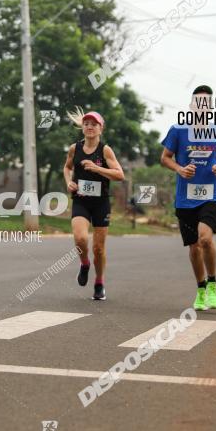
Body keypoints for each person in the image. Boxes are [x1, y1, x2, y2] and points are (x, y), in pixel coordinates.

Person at [160, 84, 216, 311]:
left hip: (211, 194)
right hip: (185, 198)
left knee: (205, 238)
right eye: (197, 102)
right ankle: (200, 288)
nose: (201, 106)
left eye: (206, 103)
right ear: (191, 105)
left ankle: (212, 284)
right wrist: (180, 169)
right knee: (193, 247)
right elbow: (165, 157)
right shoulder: (178, 129)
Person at [63, 108, 125, 300]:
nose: (89, 127)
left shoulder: (105, 150)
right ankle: (84, 264)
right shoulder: (75, 148)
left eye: (94, 124)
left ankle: (99, 282)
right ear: (82, 127)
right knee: (80, 239)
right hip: (81, 201)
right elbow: (67, 167)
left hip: (101, 203)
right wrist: (69, 183)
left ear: (100, 128)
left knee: (98, 248)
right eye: (86, 124)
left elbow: (120, 175)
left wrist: (98, 168)